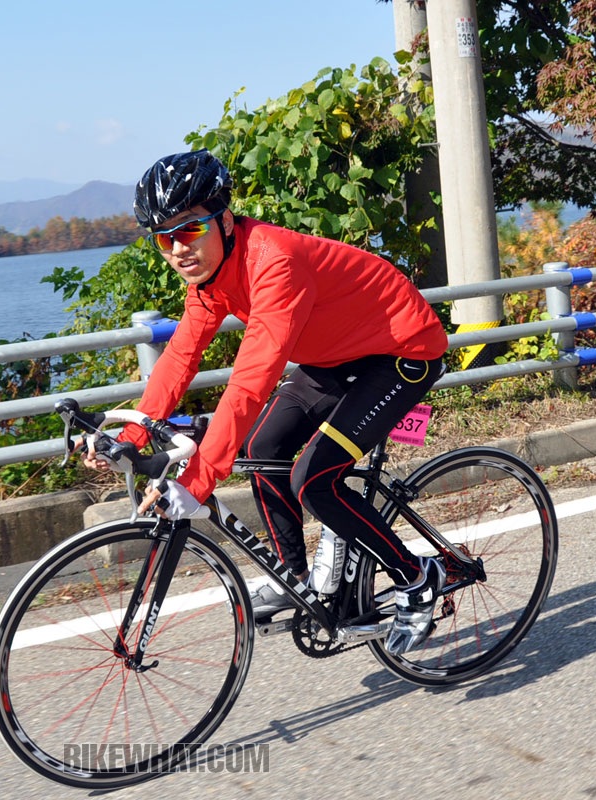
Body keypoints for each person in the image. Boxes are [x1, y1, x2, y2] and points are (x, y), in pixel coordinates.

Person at [88, 149, 449, 654]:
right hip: (337, 356)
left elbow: (251, 380)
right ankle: (292, 577)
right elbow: (179, 359)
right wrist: (130, 436)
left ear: (225, 221)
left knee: (314, 481)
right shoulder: (210, 278)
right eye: (164, 238)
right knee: (263, 448)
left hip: (401, 352)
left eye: (190, 229)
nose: (178, 248)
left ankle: (418, 576)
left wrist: (198, 481)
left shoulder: (274, 261)